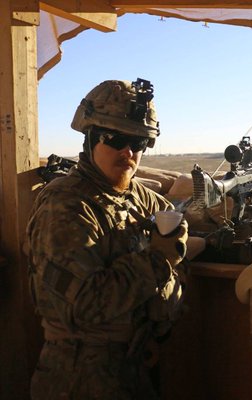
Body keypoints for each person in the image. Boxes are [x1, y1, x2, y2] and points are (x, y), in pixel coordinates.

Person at [26, 78, 188, 399]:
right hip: (82, 374)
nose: (128, 151)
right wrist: (157, 259)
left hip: (136, 362)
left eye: (139, 143)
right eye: (115, 138)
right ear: (90, 138)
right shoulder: (66, 203)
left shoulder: (146, 200)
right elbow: (84, 307)